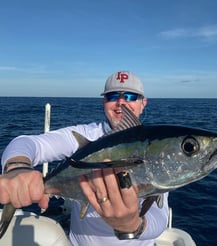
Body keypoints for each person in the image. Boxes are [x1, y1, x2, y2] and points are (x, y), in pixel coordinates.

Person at [0, 71, 169, 246]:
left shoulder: (155, 146)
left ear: (143, 103)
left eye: (130, 96)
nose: (121, 102)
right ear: (104, 102)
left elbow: (160, 218)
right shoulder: (86, 136)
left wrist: (133, 226)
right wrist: (17, 167)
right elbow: (27, 143)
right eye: (112, 96)